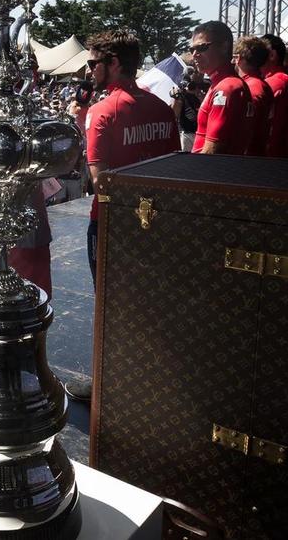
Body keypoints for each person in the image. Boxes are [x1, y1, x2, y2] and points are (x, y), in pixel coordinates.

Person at [73, 30, 180, 402]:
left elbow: (100, 180)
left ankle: (108, 382)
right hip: (155, 223)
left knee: (110, 305)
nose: (88, 71)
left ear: (113, 64)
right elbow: (173, 173)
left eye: (92, 63)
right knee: (151, 301)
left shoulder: (103, 111)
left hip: (112, 225)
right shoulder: (163, 110)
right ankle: (153, 377)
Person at [191, 21, 253, 155]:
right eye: (192, 49)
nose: (194, 54)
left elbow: (212, 151)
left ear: (224, 47)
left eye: (201, 47)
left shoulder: (226, 88)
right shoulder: (222, 84)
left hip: (209, 172)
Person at [260, 34, 288, 159]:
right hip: (277, 156)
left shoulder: (277, 82)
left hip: (271, 157)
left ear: (272, 55)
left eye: (260, 53)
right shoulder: (280, 80)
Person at [232, 36, 274, 157]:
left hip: (248, 159)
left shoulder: (252, 88)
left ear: (238, 58)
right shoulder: (261, 85)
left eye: (234, 57)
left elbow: (246, 128)